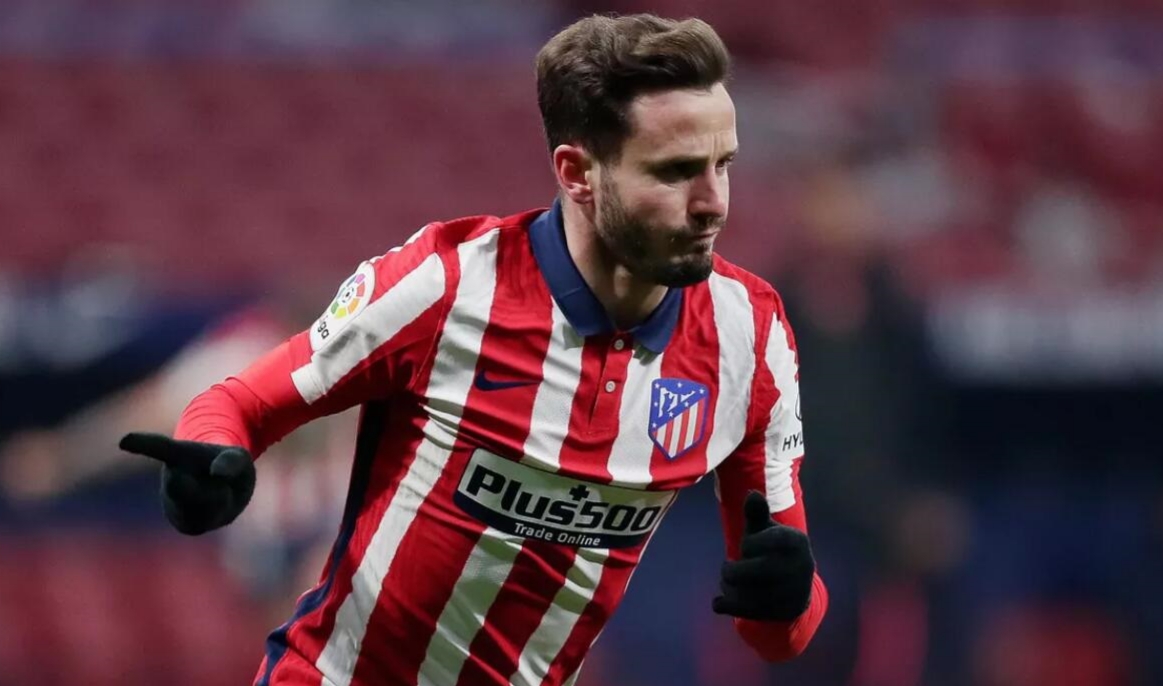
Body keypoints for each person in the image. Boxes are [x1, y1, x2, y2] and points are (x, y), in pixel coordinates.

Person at [119, 13, 828, 686]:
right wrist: (205, 466)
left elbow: (780, 633)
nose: (714, 202)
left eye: (723, 165)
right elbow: (238, 403)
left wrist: (791, 597)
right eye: (674, 171)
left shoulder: (751, 335)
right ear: (577, 173)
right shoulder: (447, 284)